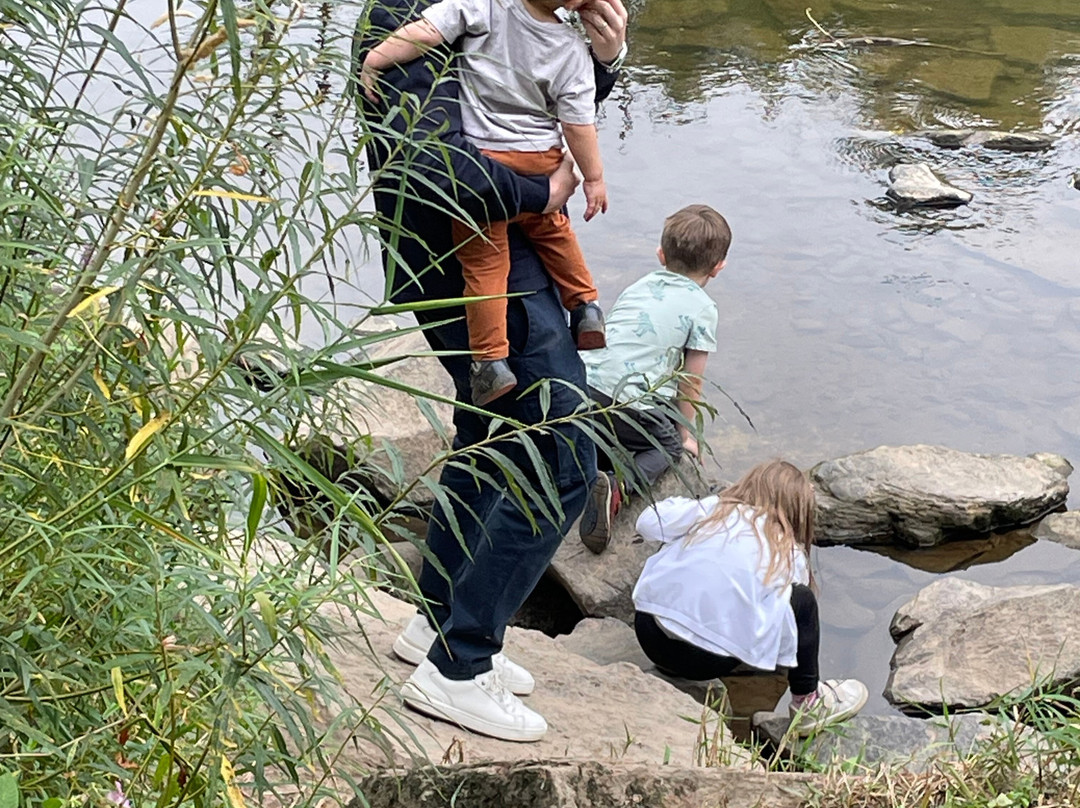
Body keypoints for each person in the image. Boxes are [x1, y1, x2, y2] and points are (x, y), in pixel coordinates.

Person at [355, 0, 628, 742]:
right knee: (562, 455)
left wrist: (599, 64)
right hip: (470, 265)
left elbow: (522, 110)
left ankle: (440, 620)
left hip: (500, 259)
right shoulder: (409, 12)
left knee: (490, 434)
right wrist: (546, 193)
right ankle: (459, 666)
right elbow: (441, 166)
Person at [361, 0, 611, 407]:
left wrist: (607, 59)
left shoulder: (485, 9)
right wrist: (573, 185)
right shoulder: (565, 42)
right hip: (504, 191)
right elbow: (432, 158)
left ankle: (490, 361)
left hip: (492, 169)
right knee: (556, 408)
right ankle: (585, 305)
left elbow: (425, 34)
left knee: (485, 267)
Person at [630, 459, 868, 736]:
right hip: (707, 662)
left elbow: (647, 522)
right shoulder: (786, 549)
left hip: (650, 635)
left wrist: (706, 503)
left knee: (678, 543)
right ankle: (808, 702)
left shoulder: (713, 510)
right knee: (801, 600)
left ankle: (679, 629)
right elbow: (786, 619)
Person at [577, 204, 729, 553]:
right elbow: (691, 382)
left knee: (613, 421)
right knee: (666, 446)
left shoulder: (640, 285)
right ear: (718, 267)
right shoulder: (703, 308)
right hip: (626, 400)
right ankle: (617, 488)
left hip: (582, 385)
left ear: (661, 254)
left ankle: (589, 462)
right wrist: (685, 436)